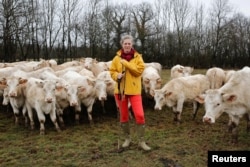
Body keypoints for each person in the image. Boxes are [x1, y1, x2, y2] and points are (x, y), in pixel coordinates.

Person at [109, 34, 151, 151]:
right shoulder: (116, 58)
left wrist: (126, 63)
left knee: (140, 115)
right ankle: (127, 139)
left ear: (132, 44)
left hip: (134, 91)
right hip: (121, 91)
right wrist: (116, 75)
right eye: (125, 43)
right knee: (124, 116)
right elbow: (112, 71)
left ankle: (141, 141)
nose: (127, 45)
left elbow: (138, 71)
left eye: (129, 43)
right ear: (122, 44)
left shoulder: (138, 57)